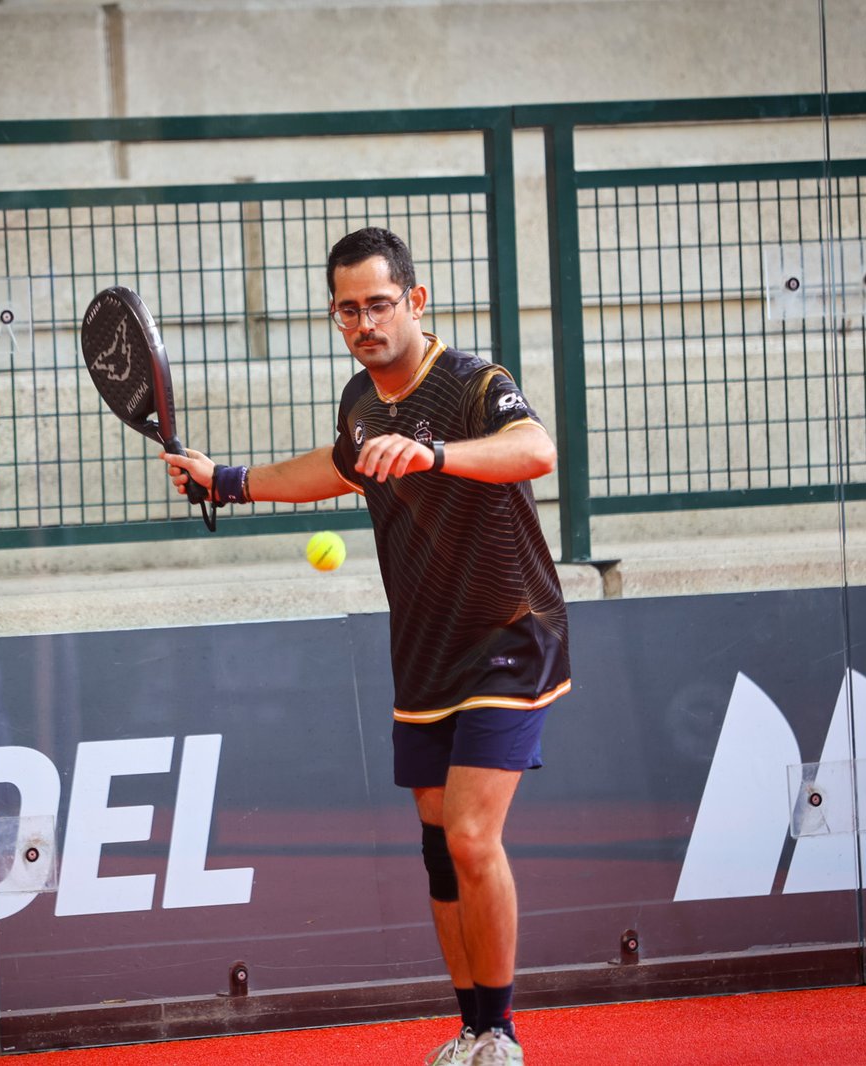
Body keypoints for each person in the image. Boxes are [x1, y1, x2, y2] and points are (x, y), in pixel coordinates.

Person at [162, 227, 571, 1066]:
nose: (364, 323)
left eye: (379, 304)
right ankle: (470, 1029)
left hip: (509, 633)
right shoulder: (360, 398)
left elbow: (536, 450)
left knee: (470, 836)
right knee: (438, 846)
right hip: (424, 649)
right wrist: (228, 481)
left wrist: (435, 453)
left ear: (415, 301)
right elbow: (339, 464)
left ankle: (502, 1035)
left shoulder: (473, 383)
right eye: (347, 310)